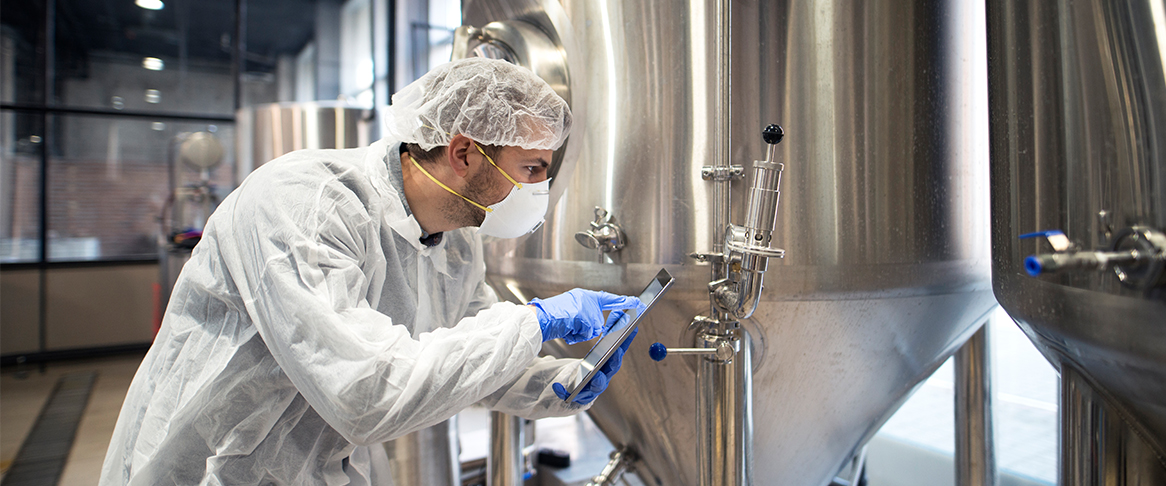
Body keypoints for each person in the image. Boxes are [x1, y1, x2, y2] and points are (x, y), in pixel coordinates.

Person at [100, 58, 643, 486]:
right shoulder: (306, 204)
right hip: (210, 468)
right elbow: (366, 392)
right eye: (532, 169)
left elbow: (465, 353)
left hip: (317, 466)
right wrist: (534, 321)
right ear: (463, 153)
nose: (538, 191)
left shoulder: (456, 244)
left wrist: (561, 382)